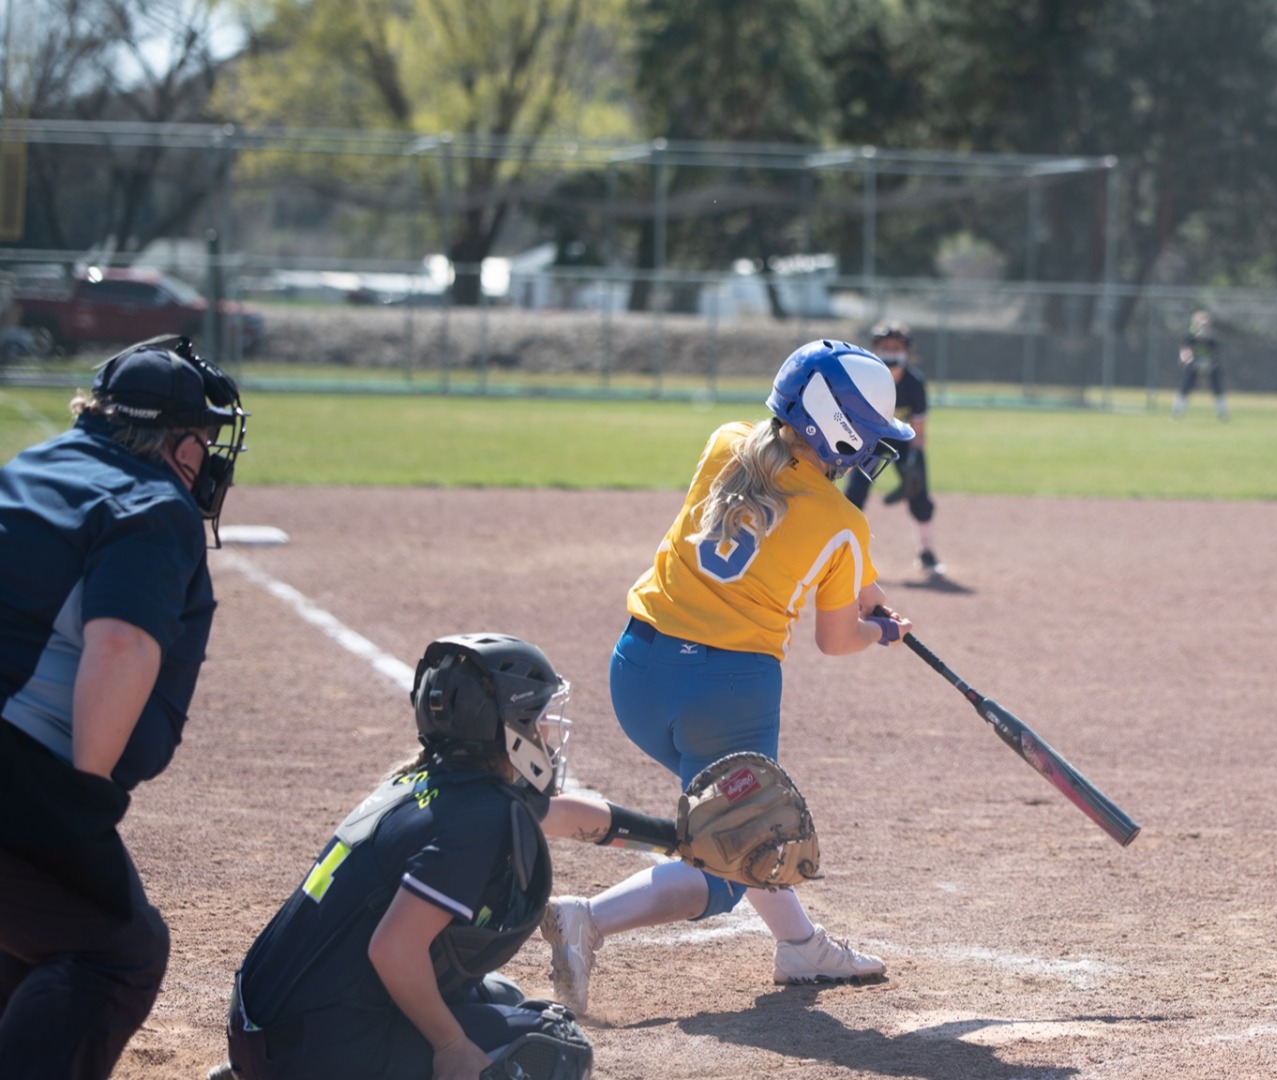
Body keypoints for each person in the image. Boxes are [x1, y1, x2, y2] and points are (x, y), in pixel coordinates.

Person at [542, 339, 915, 1014]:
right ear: (838, 432)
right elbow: (837, 640)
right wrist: (881, 632)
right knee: (731, 865)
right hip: (725, 697)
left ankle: (799, 945)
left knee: (741, 823)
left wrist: (866, 591)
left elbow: (788, 541)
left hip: (637, 671)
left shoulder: (728, 445)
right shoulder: (843, 522)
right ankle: (587, 920)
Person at [218, 633, 674, 1080]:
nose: (549, 735)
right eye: (536, 717)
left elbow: (563, 815)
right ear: (505, 727)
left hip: (264, 1029)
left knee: (502, 998)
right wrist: (450, 1046)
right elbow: (393, 949)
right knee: (552, 1049)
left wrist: (677, 841)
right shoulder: (478, 818)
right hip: (312, 1050)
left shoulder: (429, 782)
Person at [0, 335, 246, 1079]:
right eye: (202, 438)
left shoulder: (27, 468)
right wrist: (83, 794)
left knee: (34, 929)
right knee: (116, 950)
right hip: (20, 763)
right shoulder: (152, 504)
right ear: (180, 443)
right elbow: (121, 644)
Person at [842, 323, 945, 577]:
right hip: (871, 439)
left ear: (907, 351)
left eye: (896, 347)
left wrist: (914, 460)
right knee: (853, 495)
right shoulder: (866, 380)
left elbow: (918, 428)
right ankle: (842, 554)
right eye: (885, 346)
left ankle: (926, 551)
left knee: (919, 497)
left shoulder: (914, 383)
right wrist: (850, 455)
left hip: (904, 440)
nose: (890, 351)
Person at [1171, 309, 1227, 421]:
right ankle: (1177, 411)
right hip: (1193, 365)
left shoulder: (1212, 340)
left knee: (1217, 387)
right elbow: (1184, 352)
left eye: (1206, 325)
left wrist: (1207, 366)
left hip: (1209, 365)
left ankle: (1222, 413)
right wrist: (1188, 359)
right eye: (1200, 325)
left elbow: (1216, 355)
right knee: (1185, 386)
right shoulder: (1189, 338)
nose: (1203, 328)